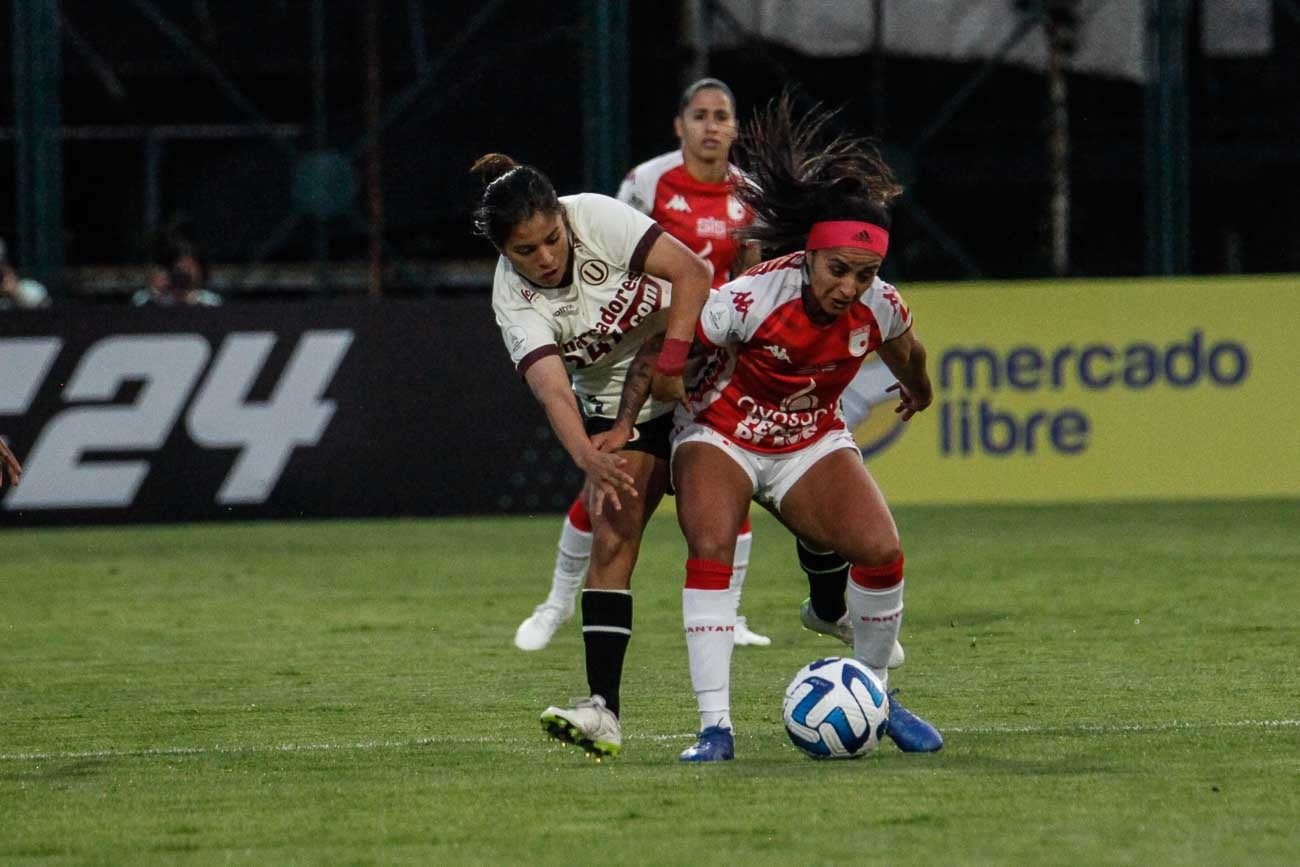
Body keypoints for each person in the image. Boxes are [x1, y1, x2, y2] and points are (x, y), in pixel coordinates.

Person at [605, 96, 943, 762]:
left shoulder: (879, 304)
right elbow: (665, 350)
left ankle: (872, 695)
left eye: (865, 273)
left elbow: (908, 350)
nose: (850, 286)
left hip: (806, 442)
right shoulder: (751, 297)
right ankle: (715, 728)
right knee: (711, 541)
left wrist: (919, 392)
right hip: (721, 433)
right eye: (838, 270)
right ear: (809, 257)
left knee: (881, 549)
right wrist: (648, 406)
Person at [512, 77, 774, 652]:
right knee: (608, 482)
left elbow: (754, 272)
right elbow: (609, 259)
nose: (711, 126)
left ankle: (729, 614)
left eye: (721, 116)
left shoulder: (748, 193)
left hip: (714, 351)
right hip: (638, 350)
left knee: (730, 479)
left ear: (734, 128)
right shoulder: (646, 183)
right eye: (699, 115)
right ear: (679, 125)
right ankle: (556, 601)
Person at [474, 152, 712, 758]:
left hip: (696, 374)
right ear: (504, 253)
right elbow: (552, 385)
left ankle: (832, 604)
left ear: (562, 218)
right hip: (611, 407)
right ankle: (603, 710)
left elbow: (691, 274)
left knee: (733, 520)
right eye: (525, 251)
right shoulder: (512, 299)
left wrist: (674, 365)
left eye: (551, 239)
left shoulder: (598, 218)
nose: (546, 258)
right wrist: (586, 454)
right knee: (611, 537)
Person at [131, 226, 222, 307]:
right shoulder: (159, 298)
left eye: (189, 267)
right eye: (179, 267)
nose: (183, 272)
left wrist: (191, 300)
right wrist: (154, 294)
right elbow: (137, 302)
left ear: (201, 271)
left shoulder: (209, 300)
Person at [0, 238, 51, 310]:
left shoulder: (27, 289)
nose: (3, 281)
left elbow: (47, 307)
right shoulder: (4, 302)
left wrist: (14, 291)